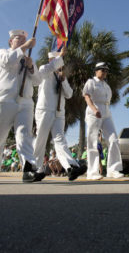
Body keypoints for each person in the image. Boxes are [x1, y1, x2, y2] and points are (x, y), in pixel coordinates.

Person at [0, 30, 42, 183]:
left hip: (26, 101)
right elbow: (8, 61)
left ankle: (28, 169)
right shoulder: (1, 53)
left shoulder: (28, 58)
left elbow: (37, 81)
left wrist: (31, 67)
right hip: (4, 100)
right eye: (18, 39)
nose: (22, 41)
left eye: (24, 39)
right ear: (10, 41)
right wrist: (24, 48)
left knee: (24, 135)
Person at [33, 48, 87, 182]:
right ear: (52, 60)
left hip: (59, 112)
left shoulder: (61, 76)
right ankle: (34, 169)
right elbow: (47, 69)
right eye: (57, 60)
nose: (60, 64)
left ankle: (70, 167)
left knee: (60, 140)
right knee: (41, 139)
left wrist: (63, 80)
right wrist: (60, 57)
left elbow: (69, 94)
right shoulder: (44, 70)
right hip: (45, 110)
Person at [83, 62, 123, 180]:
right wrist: (94, 109)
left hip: (106, 112)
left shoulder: (106, 85)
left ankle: (112, 170)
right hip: (94, 112)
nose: (104, 72)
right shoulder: (91, 82)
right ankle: (92, 172)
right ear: (96, 70)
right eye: (102, 70)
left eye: (106, 70)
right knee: (92, 141)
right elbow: (86, 96)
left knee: (114, 139)